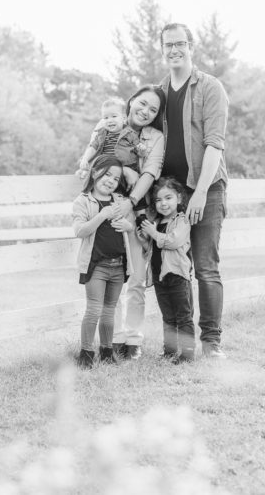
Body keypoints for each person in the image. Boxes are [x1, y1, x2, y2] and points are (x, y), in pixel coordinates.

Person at [157, 22, 229, 359]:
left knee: (204, 266)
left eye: (180, 44)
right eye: (168, 45)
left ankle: (211, 343)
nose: (174, 50)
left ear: (191, 46)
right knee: (173, 266)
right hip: (172, 196)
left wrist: (199, 193)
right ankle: (178, 343)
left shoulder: (210, 88)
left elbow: (214, 145)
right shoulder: (159, 92)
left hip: (206, 189)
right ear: (162, 50)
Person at [111, 85, 166, 360]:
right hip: (106, 204)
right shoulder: (112, 123)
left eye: (153, 110)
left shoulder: (155, 138)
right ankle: (110, 338)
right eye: (142, 104)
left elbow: (151, 172)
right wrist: (122, 168)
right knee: (107, 273)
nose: (145, 111)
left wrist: (131, 202)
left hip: (137, 208)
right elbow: (98, 156)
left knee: (135, 275)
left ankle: (132, 339)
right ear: (132, 101)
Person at [72, 155, 135, 369]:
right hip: (96, 265)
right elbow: (80, 231)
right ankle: (86, 354)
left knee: (110, 310)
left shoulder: (118, 200)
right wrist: (102, 215)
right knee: (94, 310)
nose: (111, 180)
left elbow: (130, 226)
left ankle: (107, 352)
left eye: (116, 178)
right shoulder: (83, 201)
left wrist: (128, 227)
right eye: (107, 174)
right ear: (95, 172)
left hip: (118, 265)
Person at [138, 177, 195, 363]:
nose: (163, 203)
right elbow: (152, 249)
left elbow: (173, 241)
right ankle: (169, 351)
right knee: (168, 317)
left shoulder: (182, 220)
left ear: (179, 198)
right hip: (159, 276)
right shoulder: (158, 222)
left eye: (168, 198)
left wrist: (154, 233)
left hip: (177, 275)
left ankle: (187, 353)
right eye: (158, 200)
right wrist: (146, 239)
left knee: (183, 316)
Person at [76, 97, 142, 191]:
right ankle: (88, 194)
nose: (109, 120)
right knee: (94, 180)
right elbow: (93, 147)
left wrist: (141, 150)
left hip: (123, 168)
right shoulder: (102, 133)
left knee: (120, 188)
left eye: (114, 116)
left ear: (123, 118)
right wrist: (85, 159)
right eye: (105, 118)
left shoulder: (130, 133)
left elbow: (137, 149)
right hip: (104, 167)